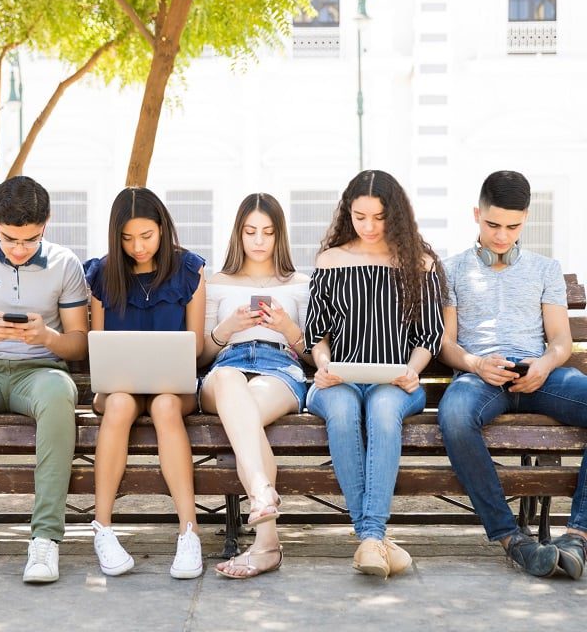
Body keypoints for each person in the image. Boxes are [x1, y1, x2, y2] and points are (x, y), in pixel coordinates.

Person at [438, 170, 587, 579]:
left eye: (513, 226)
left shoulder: (544, 269)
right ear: (476, 214)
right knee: (453, 415)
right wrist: (474, 364)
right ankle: (510, 537)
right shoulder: (450, 270)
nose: (502, 236)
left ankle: (577, 536)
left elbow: (560, 340)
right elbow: (447, 343)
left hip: (538, 376)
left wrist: (544, 364)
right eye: (492, 225)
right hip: (480, 377)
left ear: (526, 220)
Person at [0, 176, 89, 583]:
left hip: (41, 373)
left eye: (30, 240)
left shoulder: (64, 263)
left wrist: (47, 337)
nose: (19, 250)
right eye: (9, 239)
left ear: (48, 223)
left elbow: (79, 344)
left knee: (60, 394)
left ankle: (44, 540)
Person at [305, 170, 445, 578]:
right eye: (359, 216)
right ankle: (376, 540)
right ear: (348, 213)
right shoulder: (330, 261)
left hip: (397, 382)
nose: (368, 226)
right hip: (339, 380)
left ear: (395, 215)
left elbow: (429, 335)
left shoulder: (420, 264)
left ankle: (370, 537)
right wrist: (324, 365)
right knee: (344, 409)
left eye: (379, 217)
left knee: (384, 410)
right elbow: (317, 334)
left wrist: (412, 372)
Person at [84, 187, 205, 579]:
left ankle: (189, 532)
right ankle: (102, 527)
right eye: (127, 238)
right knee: (119, 403)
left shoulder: (189, 271)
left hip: (173, 388)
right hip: (119, 388)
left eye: (147, 236)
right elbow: (98, 344)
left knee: (165, 404)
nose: (138, 247)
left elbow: (197, 345)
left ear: (163, 229)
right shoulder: (103, 275)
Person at [199, 193, 310, 579]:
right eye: (251, 232)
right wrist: (226, 329)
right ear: (238, 234)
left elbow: (313, 355)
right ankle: (262, 496)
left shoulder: (299, 283)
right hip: (227, 364)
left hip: (280, 367)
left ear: (280, 235)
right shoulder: (216, 282)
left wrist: (287, 328)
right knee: (231, 384)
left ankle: (267, 541)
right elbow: (200, 356)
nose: (259, 240)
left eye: (268, 231)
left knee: (244, 415)